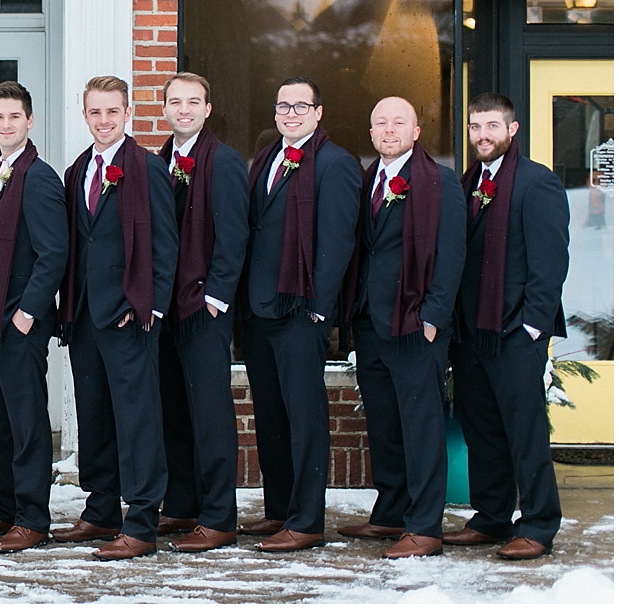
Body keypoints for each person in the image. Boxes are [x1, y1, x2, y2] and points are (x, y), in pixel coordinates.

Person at [51, 75, 179, 561]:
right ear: (84, 116)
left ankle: (142, 521)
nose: (103, 121)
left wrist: (148, 306)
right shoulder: (76, 169)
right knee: (95, 415)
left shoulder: (146, 168)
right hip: (83, 313)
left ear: (127, 114)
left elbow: (166, 244)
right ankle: (101, 508)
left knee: (138, 420)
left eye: (112, 112)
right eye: (94, 112)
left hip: (129, 315)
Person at [337, 97, 466, 559]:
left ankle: (425, 526)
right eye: (380, 123)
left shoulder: (440, 183)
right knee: (385, 424)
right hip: (370, 321)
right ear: (371, 133)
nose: (388, 130)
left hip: (415, 323)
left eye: (398, 123)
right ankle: (391, 511)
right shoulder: (366, 179)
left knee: (420, 425)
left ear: (416, 132)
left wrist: (433, 317)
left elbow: (452, 256)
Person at [444, 92, 569, 561]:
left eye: (491, 126)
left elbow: (551, 261)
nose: (482, 135)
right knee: (483, 429)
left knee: (525, 430)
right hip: (473, 331)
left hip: (515, 331)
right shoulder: (469, 181)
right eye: (476, 127)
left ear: (512, 130)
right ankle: (491, 516)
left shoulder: (538, 183)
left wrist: (534, 328)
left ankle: (537, 524)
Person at [239, 76, 361, 553]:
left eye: (300, 106)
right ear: (275, 113)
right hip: (260, 310)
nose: (291, 113)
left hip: (300, 309)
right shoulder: (266, 158)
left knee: (305, 417)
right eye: (283, 106)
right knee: (269, 414)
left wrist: (319, 312)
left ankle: (307, 521)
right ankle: (279, 510)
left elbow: (338, 241)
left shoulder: (335, 164)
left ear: (318, 112)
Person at [154, 73, 250, 553]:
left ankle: (219, 517)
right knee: (174, 410)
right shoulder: (159, 161)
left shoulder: (225, 161)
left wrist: (216, 298)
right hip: (166, 308)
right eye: (175, 102)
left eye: (193, 102)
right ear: (165, 109)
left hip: (204, 308)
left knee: (211, 414)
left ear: (208, 109)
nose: (184, 109)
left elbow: (235, 236)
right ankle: (183, 503)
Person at [0, 82, 69, 553]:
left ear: (30, 121)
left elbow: (55, 254)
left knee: (28, 423)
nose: (6, 124)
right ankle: (4, 505)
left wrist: (28, 315)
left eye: (15, 116)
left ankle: (33, 518)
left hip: (19, 323)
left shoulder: (41, 176)